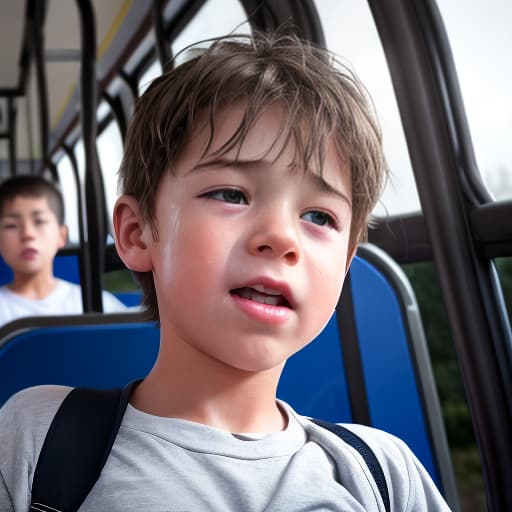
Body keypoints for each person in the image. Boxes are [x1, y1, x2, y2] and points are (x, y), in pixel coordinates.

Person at [0, 32, 451, 511]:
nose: (281, 237)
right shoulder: (38, 439)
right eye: (231, 195)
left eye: (319, 217)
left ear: (344, 266)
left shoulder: (381, 473)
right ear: (136, 234)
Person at [0, 175, 127, 325]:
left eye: (39, 221)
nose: (27, 234)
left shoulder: (98, 305)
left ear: (61, 235)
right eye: (11, 225)